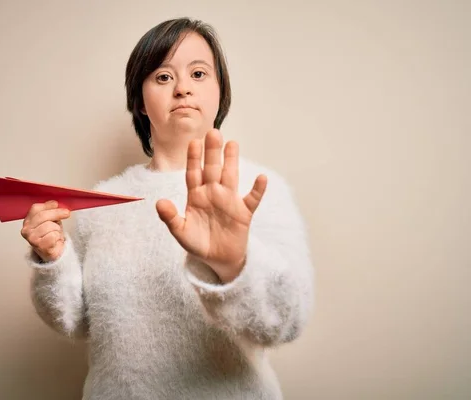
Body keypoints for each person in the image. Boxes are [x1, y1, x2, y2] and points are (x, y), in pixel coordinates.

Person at [21, 17, 314, 400]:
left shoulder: (260, 190)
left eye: (198, 73)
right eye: (162, 77)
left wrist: (234, 263)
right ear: (140, 103)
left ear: (220, 92)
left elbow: (286, 321)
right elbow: (76, 322)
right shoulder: (102, 203)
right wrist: (52, 260)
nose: (182, 89)